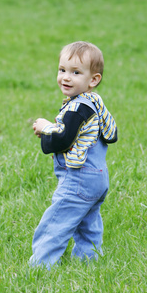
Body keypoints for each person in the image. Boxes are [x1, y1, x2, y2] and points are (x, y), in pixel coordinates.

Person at [29, 41, 117, 270]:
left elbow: (61, 139)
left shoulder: (77, 108)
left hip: (78, 178)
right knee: (88, 224)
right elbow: (111, 134)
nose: (66, 77)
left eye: (76, 72)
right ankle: (88, 263)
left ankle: (40, 268)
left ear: (93, 80)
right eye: (62, 70)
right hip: (97, 178)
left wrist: (46, 128)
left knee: (55, 223)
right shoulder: (95, 103)